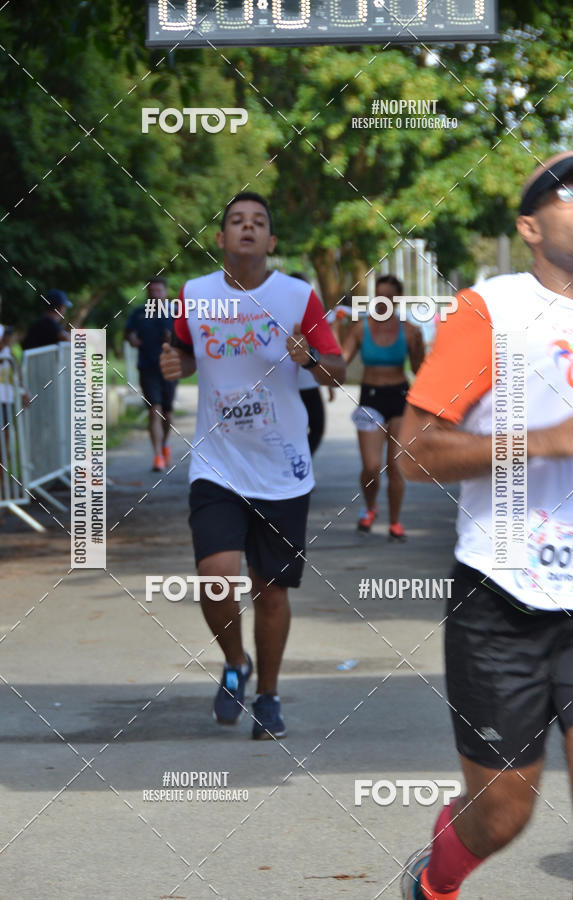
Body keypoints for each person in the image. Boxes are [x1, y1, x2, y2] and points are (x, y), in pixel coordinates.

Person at [399, 151, 573, 899]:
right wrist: (540, 440)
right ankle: (435, 883)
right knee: (502, 814)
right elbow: (413, 455)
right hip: (502, 599)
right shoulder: (493, 310)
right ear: (530, 226)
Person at [160, 192, 345, 739]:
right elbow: (187, 353)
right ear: (220, 239)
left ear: (271, 241)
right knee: (216, 580)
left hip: (282, 469)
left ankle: (268, 694)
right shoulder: (193, 295)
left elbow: (335, 371)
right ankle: (234, 663)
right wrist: (178, 362)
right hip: (217, 463)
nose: (247, 228)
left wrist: (309, 357)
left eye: (258, 222)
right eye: (236, 221)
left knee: (270, 591)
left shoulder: (297, 297)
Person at [342, 274, 424, 540]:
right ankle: (370, 507)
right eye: (379, 296)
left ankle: (395, 522)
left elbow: (421, 370)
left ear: (397, 300)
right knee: (371, 466)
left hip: (400, 398)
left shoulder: (409, 330)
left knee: (396, 466)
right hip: (371, 398)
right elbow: (340, 360)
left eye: (389, 297)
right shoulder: (360, 328)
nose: (383, 302)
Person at [125, 277, 177, 472]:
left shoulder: (175, 312)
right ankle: (157, 456)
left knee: (167, 413)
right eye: (151, 291)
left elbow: (187, 338)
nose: (155, 294)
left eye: (158, 291)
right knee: (153, 409)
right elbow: (128, 333)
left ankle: (165, 444)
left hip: (170, 367)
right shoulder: (139, 313)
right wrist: (132, 339)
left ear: (165, 292)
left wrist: (173, 340)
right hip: (147, 367)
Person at [290, 272, 333, 455]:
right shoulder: (284, 313)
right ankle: (297, 462)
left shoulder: (312, 314)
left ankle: (299, 462)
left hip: (309, 381)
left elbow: (323, 349)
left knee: (316, 427)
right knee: (309, 428)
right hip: (293, 384)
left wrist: (329, 383)